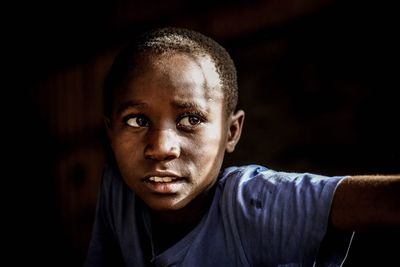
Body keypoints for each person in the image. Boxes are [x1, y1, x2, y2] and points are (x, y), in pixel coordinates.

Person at [84, 27, 399, 267]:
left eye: (191, 119)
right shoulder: (119, 191)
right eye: (137, 121)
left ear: (231, 132)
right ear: (111, 133)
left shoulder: (251, 204)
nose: (162, 148)